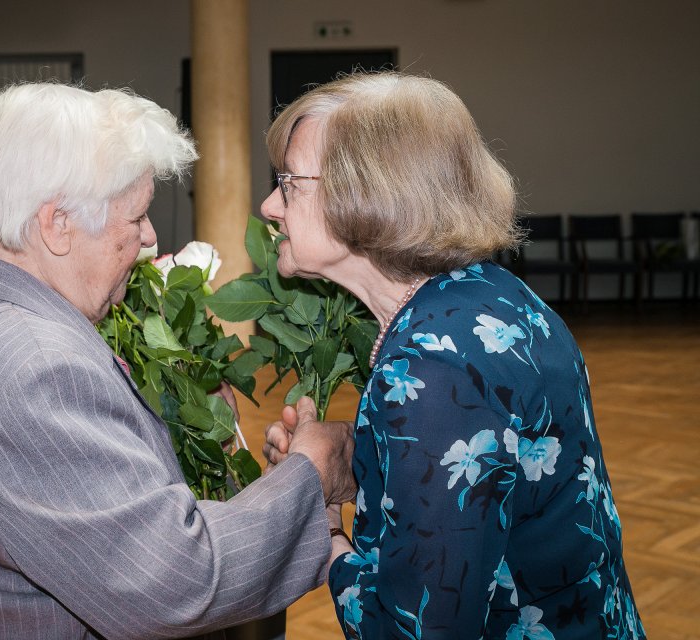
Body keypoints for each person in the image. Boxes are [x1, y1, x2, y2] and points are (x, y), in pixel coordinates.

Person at [0, 83, 355, 639]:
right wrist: (311, 473)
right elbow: (178, 582)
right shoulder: (39, 371)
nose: (151, 237)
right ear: (58, 225)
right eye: (136, 217)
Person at [261, 72, 644, 639]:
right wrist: (360, 460)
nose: (271, 205)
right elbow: (484, 490)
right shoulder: (497, 295)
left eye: (290, 182)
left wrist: (327, 533)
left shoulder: (429, 369)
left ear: (368, 193)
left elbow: (416, 631)